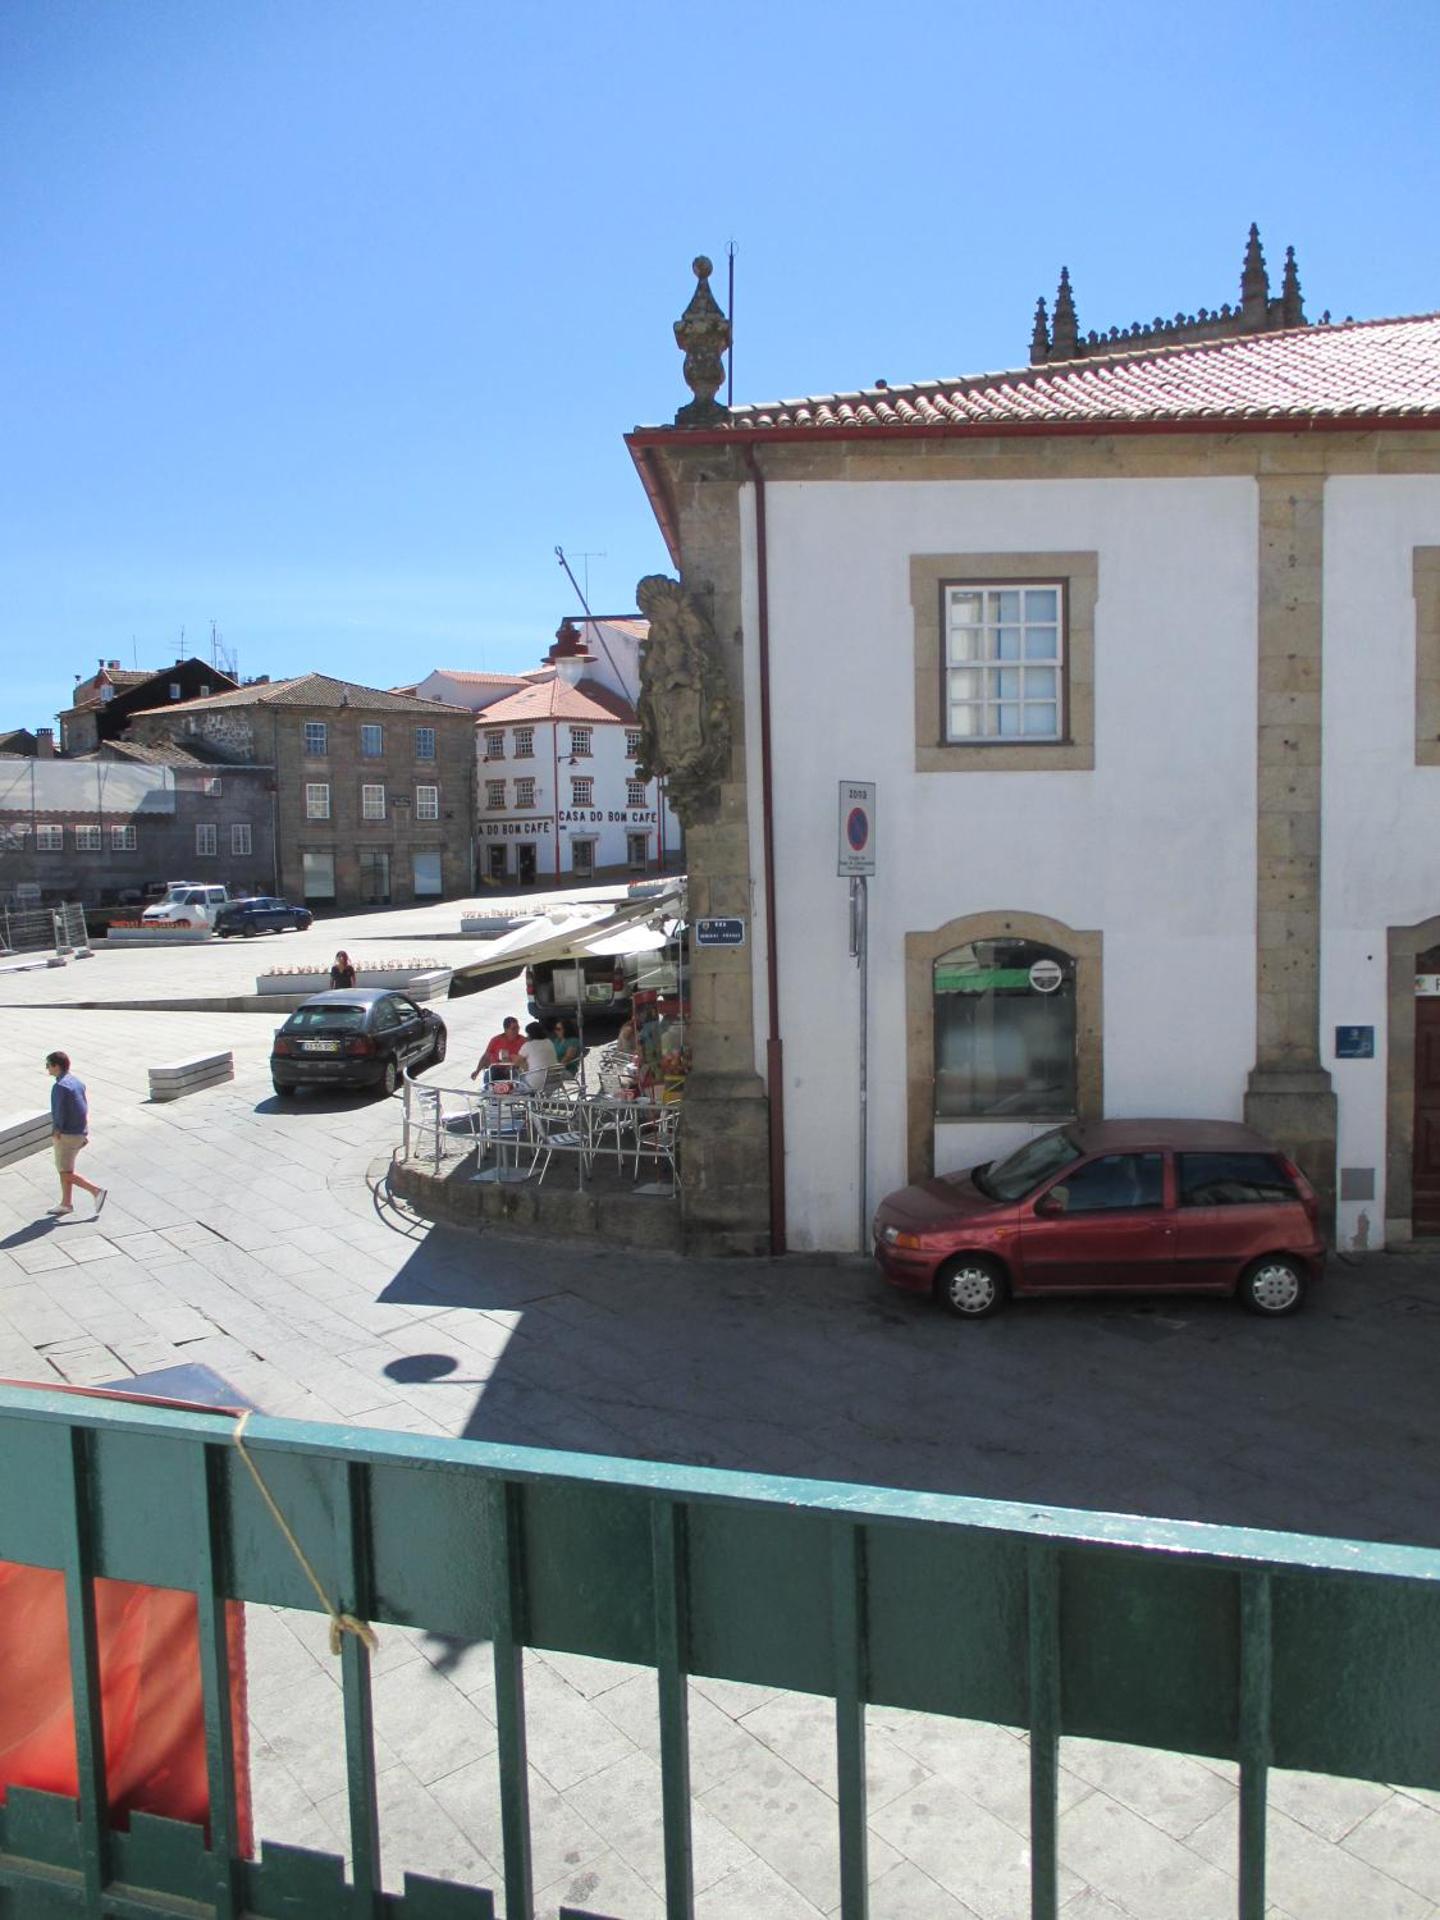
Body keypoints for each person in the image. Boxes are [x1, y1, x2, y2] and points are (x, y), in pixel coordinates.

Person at [45, 1051, 106, 1219]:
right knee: (67, 1168)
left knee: (64, 1172)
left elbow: (59, 1112)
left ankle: (96, 1191)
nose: (47, 1069)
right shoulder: (77, 1082)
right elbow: (82, 1108)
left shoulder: (60, 1087)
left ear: (56, 1066)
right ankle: (66, 1203)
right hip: (78, 1132)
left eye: (48, 1065)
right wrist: (83, 1131)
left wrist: (57, 1130)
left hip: (66, 1134)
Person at [471, 1016, 524, 1084]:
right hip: (496, 1069)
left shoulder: (523, 1041)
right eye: (513, 1029)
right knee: (488, 1078)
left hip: (513, 1070)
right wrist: (477, 1071)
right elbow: (486, 1056)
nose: (517, 1030)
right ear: (506, 1029)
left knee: (518, 1080)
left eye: (517, 1028)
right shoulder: (496, 1040)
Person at [516, 1021, 558, 1093]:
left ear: (531, 1034)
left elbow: (517, 1062)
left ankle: (508, 1102)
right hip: (553, 1081)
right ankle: (535, 1102)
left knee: (514, 1080)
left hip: (536, 1083)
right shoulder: (549, 1042)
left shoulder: (528, 1045)